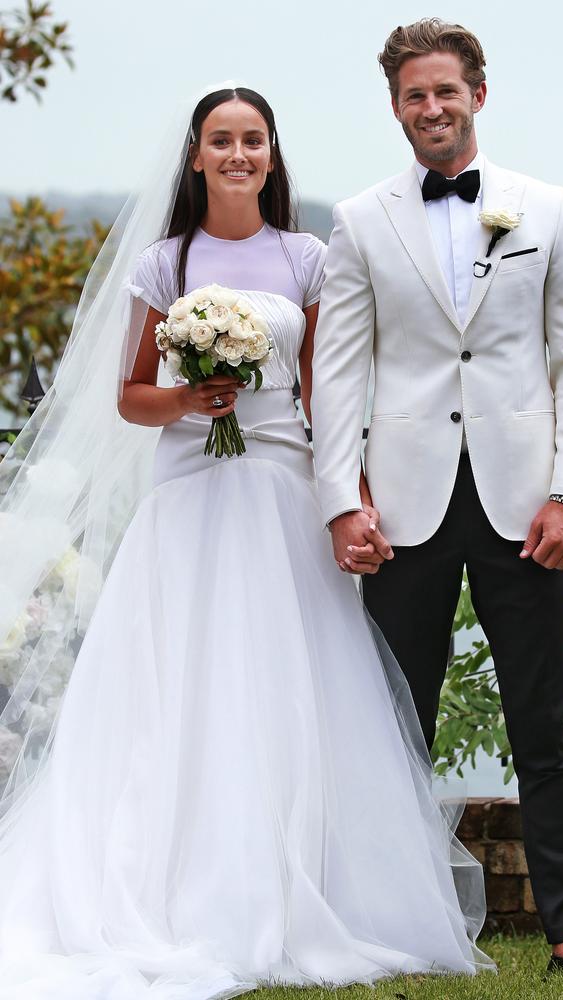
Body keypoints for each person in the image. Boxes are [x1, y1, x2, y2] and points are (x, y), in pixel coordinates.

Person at [0, 86, 491, 998]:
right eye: (220, 140)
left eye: (252, 140)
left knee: (285, 678)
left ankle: (304, 881)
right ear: (196, 156)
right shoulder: (164, 262)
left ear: (271, 154)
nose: (237, 154)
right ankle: (171, 886)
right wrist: (190, 398)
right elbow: (131, 396)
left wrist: (353, 495)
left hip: (280, 486)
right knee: (182, 680)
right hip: (189, 494)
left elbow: (326, 393)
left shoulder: (307, 257)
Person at [311, 19, 563, 973]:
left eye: (445, 90)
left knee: (543, 722)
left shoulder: (549, 208)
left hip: (527, 507)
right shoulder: (359, 222)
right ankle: (386, 924)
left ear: (479, 93)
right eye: (412, 95)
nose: (430, 108)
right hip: (403, 508)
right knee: (396, 723)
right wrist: (339, 502)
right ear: (394, 106)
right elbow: (340, 373)